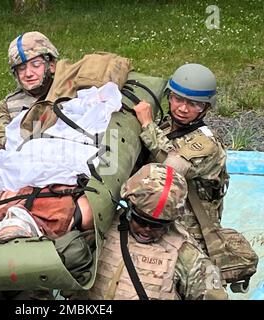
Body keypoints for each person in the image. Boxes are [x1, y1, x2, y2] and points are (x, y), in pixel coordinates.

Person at [88, 163, 228, 300]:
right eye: (141, 220)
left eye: (158, 225)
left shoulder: (186, 252)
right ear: (130, 207)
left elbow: (216, 295)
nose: (147, 229)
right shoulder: (101, 225)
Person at [133, 63, 229, 253]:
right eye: (177, 99)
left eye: (193, 104)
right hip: (153, 217)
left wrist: (147, 125)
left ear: (206, 108)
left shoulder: (208, 144)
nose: (183, 108)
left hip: (188, 230)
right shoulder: (168, 127)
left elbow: (172, 167)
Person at [0, 31, 59, 175]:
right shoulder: (6, 107)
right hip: (22, 178)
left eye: (35, 64)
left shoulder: (74, 95)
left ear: (51, 65)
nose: (28, 73)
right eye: (21, 68)